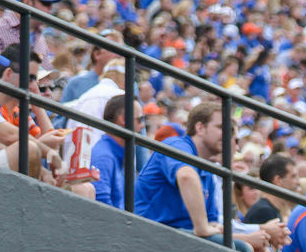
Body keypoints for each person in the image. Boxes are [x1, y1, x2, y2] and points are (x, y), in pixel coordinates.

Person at [133, 102, 224, 239]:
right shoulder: (176, 145)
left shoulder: (207, 167)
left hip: (180, 236)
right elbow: (186, 176)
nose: (227, 134)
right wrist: (202, 227)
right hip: (150, 232)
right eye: (220, 127)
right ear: (200, 128)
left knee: (244, 247)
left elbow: (212, 220)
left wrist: (210, 227)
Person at [88, 95, 128, 210]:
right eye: (139, 120)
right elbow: (102, 207)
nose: (142, 126)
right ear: (123, 119)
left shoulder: (114, 150)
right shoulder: (104, 156)